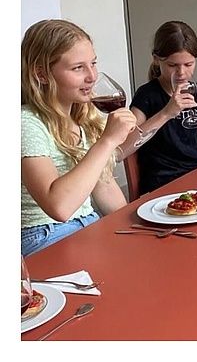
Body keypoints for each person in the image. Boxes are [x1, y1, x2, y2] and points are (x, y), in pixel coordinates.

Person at [21, 20, 137, 256]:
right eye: (78, 68)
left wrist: (133, 229)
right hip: (41, 235)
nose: (92, 76)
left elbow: (103, 186)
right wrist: (107, 142)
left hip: (88, 226)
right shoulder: (26, 123)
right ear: (41, 74)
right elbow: (59, 207)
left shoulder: (81, 114)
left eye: (93, 63)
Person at [129, 21, 197, 195]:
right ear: (157, 60)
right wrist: (166, 113)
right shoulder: (147, 96)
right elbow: (125, 147)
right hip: (163, 182)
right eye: (172, 65)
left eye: (188, 64)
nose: (181, 72)